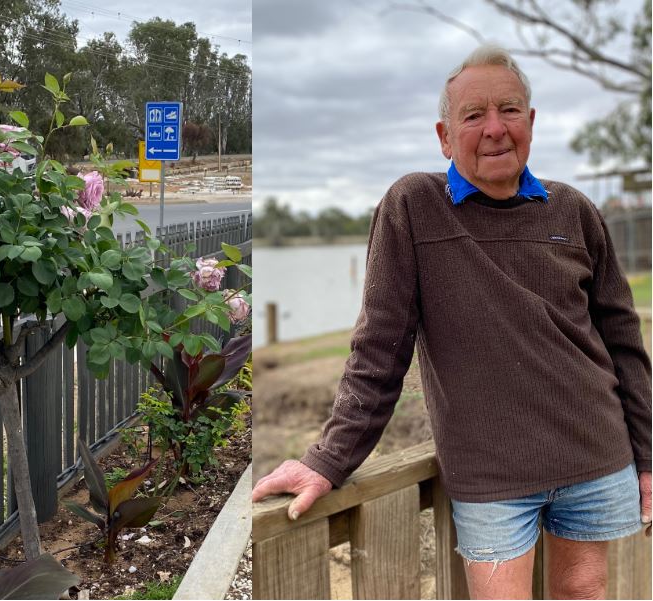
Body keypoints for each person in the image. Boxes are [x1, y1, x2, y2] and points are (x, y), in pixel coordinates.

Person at [252, 44, 652, 600]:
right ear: (444, 136)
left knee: (584, 590)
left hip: (595, 452)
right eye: (473, 115)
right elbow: (379, 350)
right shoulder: (413, 206)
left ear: (530, 122)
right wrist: (327, 460)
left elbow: (623, 344)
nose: (494, 128)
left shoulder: (575, 210)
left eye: (509, 110)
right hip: (490, 474)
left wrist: (648, 455)